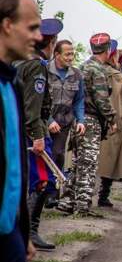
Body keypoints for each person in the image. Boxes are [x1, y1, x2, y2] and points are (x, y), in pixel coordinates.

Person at [0, 0, 40, 262]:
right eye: (31, 28)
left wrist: (21, 232)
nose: (38, 37)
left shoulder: (12, 82)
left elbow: (16, 165)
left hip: (8, 232)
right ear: (6, 25)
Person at [14, 16, 63, 251]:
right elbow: (32, 108)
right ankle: (30, 233)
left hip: (19, 130)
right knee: (43, 181)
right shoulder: (36, 66)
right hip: (32, 132)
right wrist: (38, 137)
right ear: (51, 42)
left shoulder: (19, 61)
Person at [57, 33, 117, 216]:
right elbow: (102, 100)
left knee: (77, 161)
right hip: (90, 120)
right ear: (107, 50)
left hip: (77, 119)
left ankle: (68, 200)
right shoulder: (98, 70)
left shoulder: (81, 68)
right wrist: (112, 119)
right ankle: (82, 205)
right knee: (88, 163)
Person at [96, 40, 122, 208]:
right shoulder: (116, 76)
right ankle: (102, 195)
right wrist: (121, 121)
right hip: (112, 121)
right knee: (109, 159)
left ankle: (94, 195)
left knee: (97, 160)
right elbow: (120, 103)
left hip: (100, 119)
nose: (121, 60)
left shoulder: (95, 70)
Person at [46, 40, 85, 178]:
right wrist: (49, 121)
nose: (70, 58)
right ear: (57, 54)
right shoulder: (45, 70)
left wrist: (80, 120)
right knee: (42, 155)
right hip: (44, 120)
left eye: (72, 54)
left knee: (57, 155)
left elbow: (79, 100)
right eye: (67, 54)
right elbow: (37, 101)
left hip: (64, 123)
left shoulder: (77, 74)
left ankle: (53, 193)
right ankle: (38, 192)